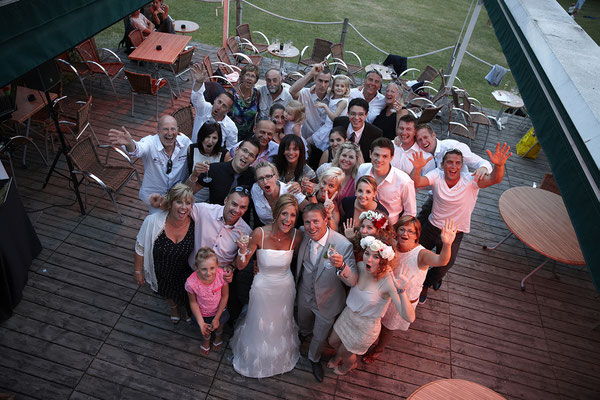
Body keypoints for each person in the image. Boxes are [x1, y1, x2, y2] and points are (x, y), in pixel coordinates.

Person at [410, 143, 512, 303]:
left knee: (444, 267)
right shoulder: (437, 174)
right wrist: (417, 168)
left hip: (454, 234)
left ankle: (426, 284)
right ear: (442, 165)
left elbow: (495, 179)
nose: (453, 166)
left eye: (458, 163)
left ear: (462, 166)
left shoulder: (471, 180)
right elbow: (418, 182)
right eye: (449, 162)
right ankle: (414, 282)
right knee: (415, 255)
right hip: (432, 227)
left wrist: (499, 165)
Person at [362, 217, 456, 364]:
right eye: (402, 229)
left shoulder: (421, 254)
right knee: (374, 323)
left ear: (417, 235)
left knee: (387, 329)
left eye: (411, 231)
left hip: (402, 299)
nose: (406, 233)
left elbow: (441, 261)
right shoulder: (391, 247)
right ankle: (364, 344)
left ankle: (378, 349)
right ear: (396, 232)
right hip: (385, 295)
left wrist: (447, 244)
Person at [231, 194, 303, 378]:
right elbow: (240, 265)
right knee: (259, 324)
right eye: (284, 214)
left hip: (285, 286)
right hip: (262, 286)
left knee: (281, 323)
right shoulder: (259, 234)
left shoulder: (297, 236)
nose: (288, 220)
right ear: (276, 213)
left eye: (293, 215)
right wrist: (242, 250)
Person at [327, 235, 415, 375]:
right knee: (333, 341)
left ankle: (347, 366)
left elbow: (409, 317)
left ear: (384, 260)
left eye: (376, 257)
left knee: (346, 352)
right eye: (367, 253)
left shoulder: (388, 281)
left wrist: (401, 291)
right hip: (348, 315)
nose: (369, 259)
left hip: (365, 326)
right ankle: (340, 356)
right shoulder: (361, 266)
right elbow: (350, 279)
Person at [295, 203, 358, 382]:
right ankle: (302, 333)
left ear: (326, 220)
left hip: (328, 301)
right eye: (307, 222)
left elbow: (353, 280)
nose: (311, 227)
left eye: (316, 221)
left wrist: (342, 266)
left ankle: (314, 359)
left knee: (320, 335)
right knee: (303, 323)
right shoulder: (302, 234)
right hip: (304, 294)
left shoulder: (342, 245)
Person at [134, 184, 195, 324]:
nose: (183, 207)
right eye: (179, 202)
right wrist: (137, 270)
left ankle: (186, 307)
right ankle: (173, 306)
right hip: (161, 270)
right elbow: (140, 246)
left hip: (185, 271)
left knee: (186, 291)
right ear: (171, 203)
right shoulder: (152, 221)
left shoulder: (195, 223)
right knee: (166, 291)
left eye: (188, 203)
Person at [108, 115, 190, 214]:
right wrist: (129, 143)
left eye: (173, 129)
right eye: (165, 129)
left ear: (177, 130)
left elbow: (199, 152)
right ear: (158, 131)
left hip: (179, 197)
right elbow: (137, 150)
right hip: (156, 198)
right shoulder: (150, 142)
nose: (169, 133)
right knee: (158, 227)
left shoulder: (185, 143)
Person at [414, 124, 493, 224]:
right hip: (436, 197)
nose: (423, 142)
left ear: (433, 135)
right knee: (419, 225)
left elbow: (482, 162)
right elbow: (428, 181)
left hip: (457, 201)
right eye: (419, 139)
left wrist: (483, 168)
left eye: (425, 137)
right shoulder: (421, 154)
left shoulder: (452, 147)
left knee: (450, 233)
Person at [356, 137, 416, 225]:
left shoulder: (404, 181)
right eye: (376, 155)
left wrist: (395, 231)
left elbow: (410, 213)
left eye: (385, 156)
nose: (379, 160)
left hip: (389, 227)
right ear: (370, 154)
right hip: (362, 223)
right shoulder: (362, 169)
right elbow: (356, 194)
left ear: (391, 157)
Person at [187, 137, 259, 205]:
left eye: (251, 155)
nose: (246, 156)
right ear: (236, 150)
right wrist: (194, 175)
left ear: (254, 160)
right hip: (214, 215)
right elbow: (187, 192)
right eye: (244, 151)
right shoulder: (215, 169)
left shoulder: (255, 176)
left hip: (241, 217)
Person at [185, 248, 229, 355]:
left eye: (212, 268)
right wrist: (201, 323)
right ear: (196, 267)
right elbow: (193, 302)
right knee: (205, 330)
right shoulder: (191, 283)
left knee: (219, 326)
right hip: (202, 313)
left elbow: (225, 296)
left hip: (219, 311)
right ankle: (206, 339)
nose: (208, 273)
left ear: (217, 265)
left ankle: (218, 336)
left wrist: (217, 318)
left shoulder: (221, 276)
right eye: (204, 269)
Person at [289, 62, 332, 164]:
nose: (323, 85)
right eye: (320, 81)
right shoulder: (306, 93)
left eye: (326, 82)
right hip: (305, 144)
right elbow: (292, 91)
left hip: (324, 145)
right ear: (314, 80)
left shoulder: (333, 97)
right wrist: (311, 73)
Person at [190, 64, 237, 149]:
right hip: (194, 150)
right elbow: (196, 97)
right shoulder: (204, 109)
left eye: (224, 106)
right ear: (215, 100)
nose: (219, 107)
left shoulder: (231, 127)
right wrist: (199, 82)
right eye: (219, 102)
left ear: (228, 110)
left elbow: (231, 149)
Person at [251, 161, 308, 225]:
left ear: (276, 176)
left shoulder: (289, 189)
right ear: (257, 182)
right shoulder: (255, 189)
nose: (265, 182)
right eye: (261, 178)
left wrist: (311, 193)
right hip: (266, 229)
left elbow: (310, 210)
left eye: (268, 176)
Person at [186, 122, 230, 203]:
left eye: (214, 138)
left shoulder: (225, 155)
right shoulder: (191, 149)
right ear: (201, 137)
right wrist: (195, 173)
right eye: (207, 137)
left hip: (212, 201)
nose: (210, 141)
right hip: (191, 197)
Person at [333, 98, 383, 163]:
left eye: (361, 114)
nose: (356, 118)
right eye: (353, 114)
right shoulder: (339, 122)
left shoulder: (376, 133)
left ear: (366, 115)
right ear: (348, 113)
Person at [231, 64, 260, 141]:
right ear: (242, 77)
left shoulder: (256, 94)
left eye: (253, 76)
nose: (249, 78)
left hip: (249, 136)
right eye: (247, 75)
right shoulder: (232, 93)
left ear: (256, 80)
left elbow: (258, 111)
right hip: (232, 134)